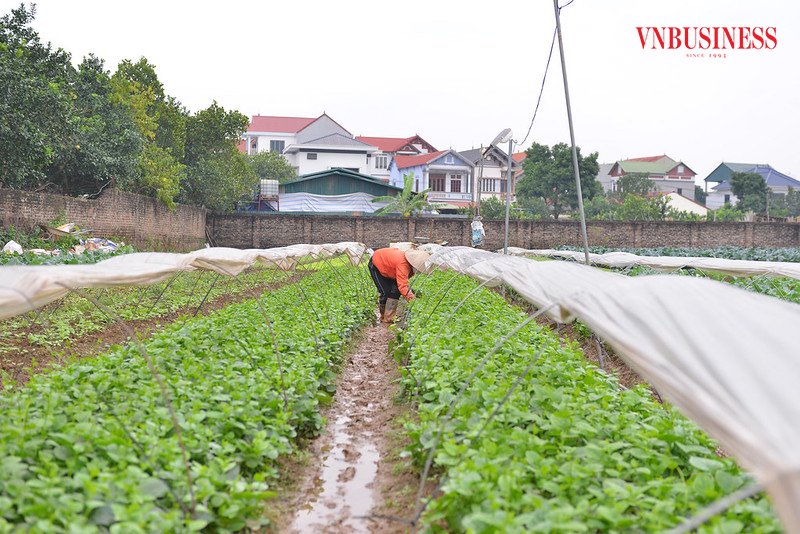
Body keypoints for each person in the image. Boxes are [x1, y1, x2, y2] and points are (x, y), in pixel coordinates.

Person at [368, 247, 431, 323]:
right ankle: (383, 316)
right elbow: (403, 286)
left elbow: (403, 282)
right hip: (377, 263)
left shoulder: (409, 266)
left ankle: (389, 318)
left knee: (395, 291)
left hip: (391, 269)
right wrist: (413, 301)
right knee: (385, 292)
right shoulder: (403, 264)